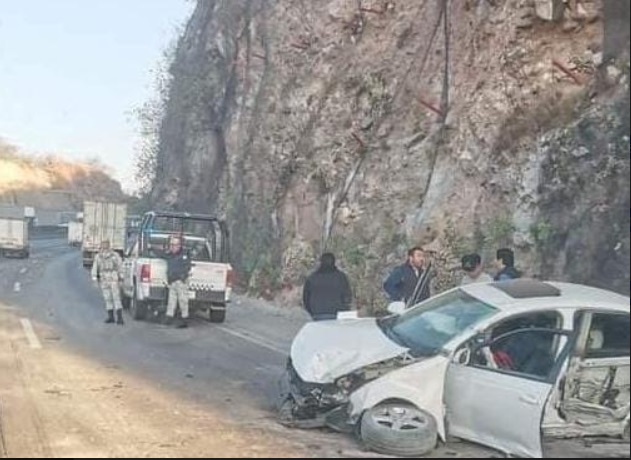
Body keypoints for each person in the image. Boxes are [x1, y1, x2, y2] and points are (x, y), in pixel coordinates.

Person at [303, 253, 353, 321]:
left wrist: (312, 311)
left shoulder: (312, 278)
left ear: (320, 262)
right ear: (334, 262)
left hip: (317, 313)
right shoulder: (341, 277)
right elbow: (347, 296)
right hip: (337, 313)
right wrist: (345, 309)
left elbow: (306, 298)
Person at [91, 240, 124, 325]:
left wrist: (121, 277)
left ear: (109, 246)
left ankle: (119, 318)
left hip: (113, 277)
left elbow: (120, 266)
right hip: (104, 278)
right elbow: (95, 268)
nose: (104, 247)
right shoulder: (98, 256)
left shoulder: (115, 255)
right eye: (103, 245)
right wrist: (95, 279)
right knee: (107, 298)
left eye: (106, 245)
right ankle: (111, 317)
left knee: (116, 297)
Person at [164, 235, 193, 328]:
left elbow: (187, 266)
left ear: (179, 245)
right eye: (171, 244)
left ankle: (184, 320)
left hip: (181, 281)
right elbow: (160, 253)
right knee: (171, 300)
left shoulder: (185, 254)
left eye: (174, 244)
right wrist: (151, 248)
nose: (172, 247)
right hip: (172, 281)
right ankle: (169, 317)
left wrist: (183, 276)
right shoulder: (169, 255)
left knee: (183, 301)